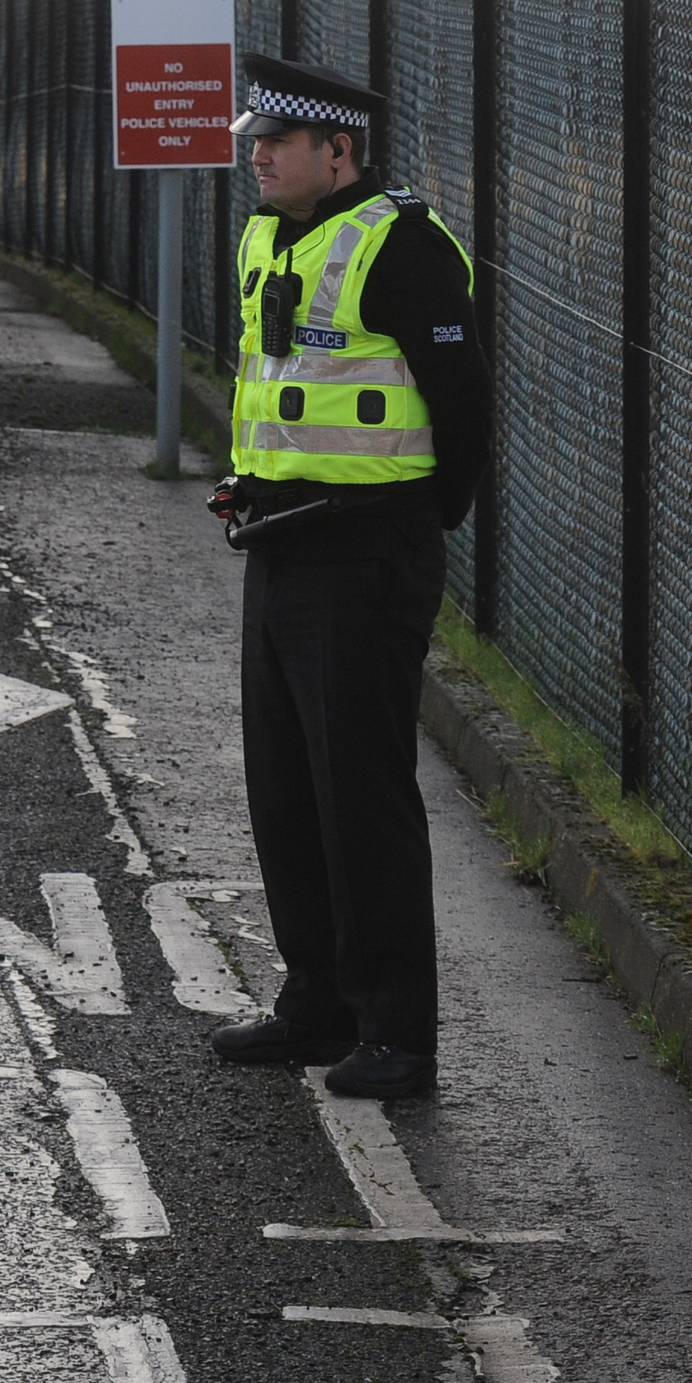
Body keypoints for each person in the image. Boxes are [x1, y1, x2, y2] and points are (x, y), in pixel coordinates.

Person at [206, 54, 490, 1101]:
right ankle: (316, 1001)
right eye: (253, 139)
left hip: (368, 551)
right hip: (279, 542)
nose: (257, 155)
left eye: (277, 142)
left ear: (340, 151)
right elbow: (274, 387)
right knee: (287, 790)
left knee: (361, 795)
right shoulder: (269, 236)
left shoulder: (401, 247)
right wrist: (253, 486)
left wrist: (410, 520)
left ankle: (397, 1033)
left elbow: (462, 414)